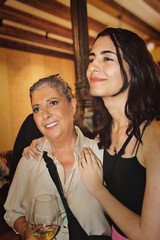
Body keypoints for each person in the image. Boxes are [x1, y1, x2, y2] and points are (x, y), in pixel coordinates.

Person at [4, 74, 111, 240]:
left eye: (53, 103)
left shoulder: (102, 153)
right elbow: (12, 211)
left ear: (73, 105)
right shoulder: (29, 160)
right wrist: (25, 230)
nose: (45, 114)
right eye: (37, 109)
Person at [78, 28, 160, 240]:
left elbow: (150, 235)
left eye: (107, 58)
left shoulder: (154, 135)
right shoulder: (104, 131)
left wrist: (98, 189)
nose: (93, 66)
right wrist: (41, 145)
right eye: (92, 58)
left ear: (135, 70)